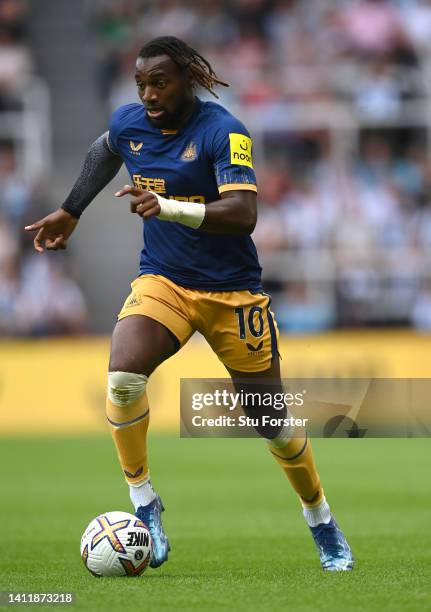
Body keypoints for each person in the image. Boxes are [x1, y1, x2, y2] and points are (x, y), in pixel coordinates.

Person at [25, 36, 353, 572]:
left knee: (269, 418)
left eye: (161, 82)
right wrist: (71, 210)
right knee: (123, 377)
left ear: (189, 80)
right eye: (142, 84)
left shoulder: (224, 131)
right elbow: (105, 150)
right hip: (166, 281)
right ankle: (144, 503)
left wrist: (168, 207)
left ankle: (320, 517)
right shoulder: (131, 122)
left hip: (232, 292)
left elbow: (243, 213)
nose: (150, 94)